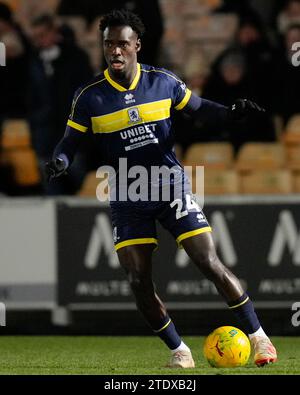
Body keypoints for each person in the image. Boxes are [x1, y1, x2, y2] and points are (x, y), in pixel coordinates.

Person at [45, 9, 277, 368]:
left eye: (123, 43)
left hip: (169, 185)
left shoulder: (163, 81)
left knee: (207, 260)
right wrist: (60, 160)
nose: (115, 51)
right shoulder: (89, 96)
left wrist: (231, 112)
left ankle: (260, 339)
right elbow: (69, 142)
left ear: (137, 45)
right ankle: (179, 351)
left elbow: (199, 109)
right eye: (109, 44)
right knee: (138, 279)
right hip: (127, 193)